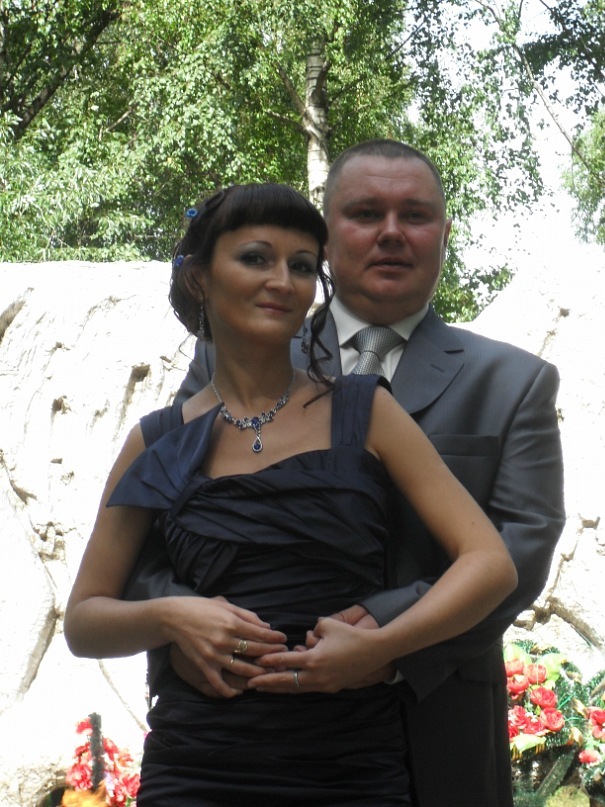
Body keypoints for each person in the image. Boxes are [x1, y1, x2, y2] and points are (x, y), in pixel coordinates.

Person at [64, 182, 518, 806]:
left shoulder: (366, 411)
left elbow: (490, 565)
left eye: (302, 266)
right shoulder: (156, 440)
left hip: (351, 769)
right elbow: (84, 621)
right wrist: (170, 617)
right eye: (256, 258)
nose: (282, 280)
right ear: (198, 278)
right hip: (197, 770)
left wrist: (382, 647)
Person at [166, 142, 566, 806]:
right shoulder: (227, 358)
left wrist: (386, 637)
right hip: (241, 728)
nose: (391, 232)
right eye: (365, 213)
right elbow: (154, 525)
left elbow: (520, 550)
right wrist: (178, 627)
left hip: (435, 730)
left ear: (444, 234)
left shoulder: (513, 382)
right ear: (326, 235)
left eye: (415, 214)